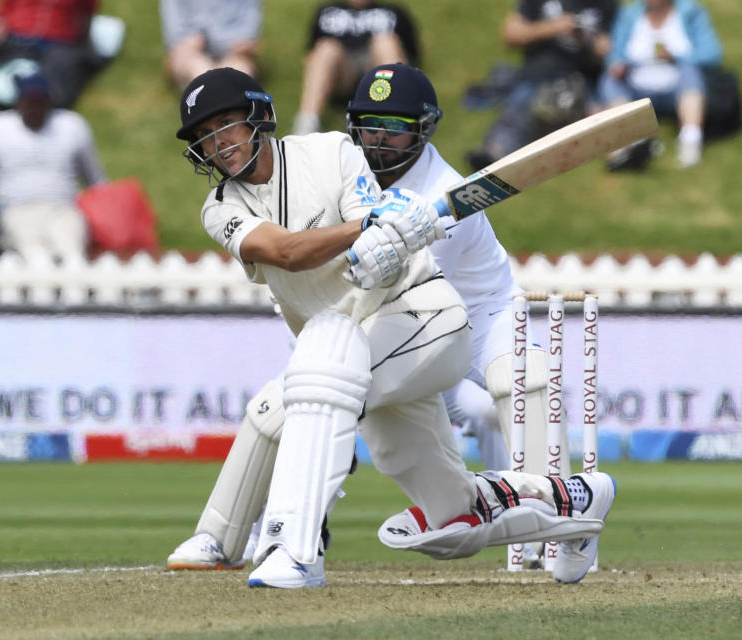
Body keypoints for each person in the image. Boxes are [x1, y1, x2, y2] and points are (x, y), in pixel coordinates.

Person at [167, 66, 616, 588]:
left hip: (427, 320)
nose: (218, 144)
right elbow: (288, 252)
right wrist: (372, 230)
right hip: (362, 338)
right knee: (453, 519)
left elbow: (377, 233)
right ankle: (576, 504)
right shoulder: (219, 208)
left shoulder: (331, 152)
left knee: (316, 384)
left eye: (226, 125)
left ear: (258, 117)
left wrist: (388, 235)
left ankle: (290, 547)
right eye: (204, 136)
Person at [466, 0, 618, 171]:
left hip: (581, 80)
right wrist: (554, 27)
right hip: (537, 75)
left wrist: (586, 37)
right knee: (519, 108)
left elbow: (613, 50)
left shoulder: (606, 4)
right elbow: (510, 34)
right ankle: (493, 156)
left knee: (600, 117)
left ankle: (622, 154)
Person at [0, 69, 107, 261]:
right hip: (16, 211)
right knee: (35, 256)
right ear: (18, 101)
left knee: (72, 255)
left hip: (63, 210)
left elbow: (96, 180)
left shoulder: (72, 126)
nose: (34, 107)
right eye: (28, 100)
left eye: (39, 101)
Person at [598, 0, 723, 169]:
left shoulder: (689, 11)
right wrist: (617, 65)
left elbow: (712, 54)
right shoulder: (630, 14)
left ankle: (690, 141)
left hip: (676, 88)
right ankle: (632, 142)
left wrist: (676, 57)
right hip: (637, 88)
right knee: (610, 81)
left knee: (689, 72)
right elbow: (614, 55)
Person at [291, 0, 419, 135]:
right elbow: (311, 55)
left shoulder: (393, 12)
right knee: (327, 48)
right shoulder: (327, 11)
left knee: (385, 42)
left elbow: (410, 58)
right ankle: (307, 123)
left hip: (378, 73)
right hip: (342, 72)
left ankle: (395, 116)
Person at [0, 0, 111, 108]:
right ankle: (9, 102)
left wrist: (85, 40)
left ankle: (50, 109)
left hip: (60, 41)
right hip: (19, 36)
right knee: (11, 69)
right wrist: (0, 25)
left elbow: (87, 14)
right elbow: (4, 9)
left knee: (61, 69)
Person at [159, 0, 262, 91]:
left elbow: (248, 33)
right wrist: (189, 40)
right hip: (191, 55)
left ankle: (220, 103)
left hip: (233, 54)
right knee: (199, 69)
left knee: (239, 71)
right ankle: (217, 103)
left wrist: (241, 46)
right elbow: (177, 35)